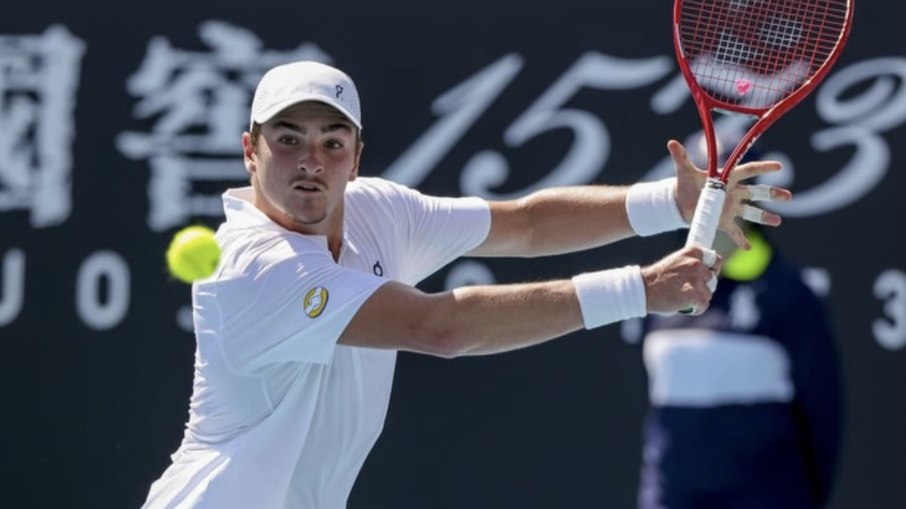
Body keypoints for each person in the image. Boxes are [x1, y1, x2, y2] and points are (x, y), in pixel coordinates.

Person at [141, 60, 791, 509]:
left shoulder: (376, 211)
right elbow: (441, 327)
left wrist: (666, 203)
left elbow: (526, 225)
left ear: (356, 155)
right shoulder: (257, 264)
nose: (312, 160)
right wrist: (638, 289)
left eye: (332, 142)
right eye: (288, 140)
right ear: (249, 151)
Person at [636, 224, 843, 509]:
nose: (712, 204)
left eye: (726, 190)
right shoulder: (663, 294)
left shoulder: (788, 293)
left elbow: (822, 409)